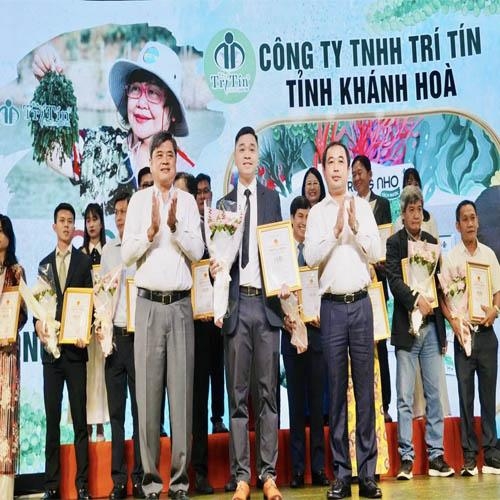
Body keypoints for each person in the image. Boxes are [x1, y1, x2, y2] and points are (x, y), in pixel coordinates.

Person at [121, 131, 204, 500]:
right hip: (149, 307)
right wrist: (151, 231)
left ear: (176, 159)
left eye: (171, 154)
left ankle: (180, 483)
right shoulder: (139, 201)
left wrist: (174, 228)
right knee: (148, 398)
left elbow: (198, 251)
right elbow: (127, 255)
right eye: (160, 155)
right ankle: (152, 483)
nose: (166, 160)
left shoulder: (186, 202)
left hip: (181, 306)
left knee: (182, 398)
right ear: (150, 161)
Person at [304, 141, 382, 499]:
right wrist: (335, 233)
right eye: (330, 162)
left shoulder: (362, 207)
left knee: (364, 391)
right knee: (335, 392)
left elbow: (377, 252)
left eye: (341, 161)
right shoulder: (317, 213)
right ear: (323, 169)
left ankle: (367, 474)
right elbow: (310, 257)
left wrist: (356, 228)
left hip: (361, 305)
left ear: (348, 169)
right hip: (332, 309)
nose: (336, 167)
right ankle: (340, 474)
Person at [32, 41, 190, 214]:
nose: (141, 103)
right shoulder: (100, 146)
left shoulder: (186, 173)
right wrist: (50, 83)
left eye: (153, 92)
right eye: (135, 89)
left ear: (173, 111)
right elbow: (53, 151)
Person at [210, 126, 283, 500]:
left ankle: (268, 475)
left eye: (253, 148)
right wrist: (215, 270)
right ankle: (242, 477)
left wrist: (284, 279)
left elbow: (279, 249)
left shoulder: (272, 199)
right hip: (237, 307)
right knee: (238, 397)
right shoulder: (223, 205)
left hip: (267, 307)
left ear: (258, 156)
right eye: (242, 148)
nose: (248, 153)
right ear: (235, 157)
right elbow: (218, 257)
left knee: (268, 395)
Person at [385, 185, 454, 481]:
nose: (415, 215)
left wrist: (445, 330)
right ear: (402, 214)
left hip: (431, 330)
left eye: (419, 210)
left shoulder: (432, 242)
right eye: (410, 210)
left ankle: (436, 454)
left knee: (435, 393)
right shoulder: (394, 243)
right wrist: (415, 299)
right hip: (406, 329)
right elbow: (393, 280)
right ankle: (406, 457)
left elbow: (439, 287)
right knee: (404, 397)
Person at [35, 202, 93, 499]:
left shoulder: (83, 263)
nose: (67, 225)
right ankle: (51, 486)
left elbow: (90, 303)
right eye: (62, 220)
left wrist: (85, 331)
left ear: (74, 226)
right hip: (51, 356)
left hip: (75, 353)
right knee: (52, 422)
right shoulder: (44, 265)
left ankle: (82, 485)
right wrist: (38, 326)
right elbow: (38, 307)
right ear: (54, 226)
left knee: (81, 422)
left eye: (71, 221)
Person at [441, 200, 500, 476]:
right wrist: (452, 321)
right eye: (464, 219)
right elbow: (443, 298)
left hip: (486, 335)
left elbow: (498, 292)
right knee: (465, 397)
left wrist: (495, 310)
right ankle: (468, 455)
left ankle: (491, 454)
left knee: (488, 397)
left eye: (473, 218)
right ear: (457, 225)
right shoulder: (451, 259)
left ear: (478, 221)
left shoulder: (489, 255)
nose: (470, 223)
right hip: (463, 335)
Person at [281, 196, 329, 489]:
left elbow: (326, 289)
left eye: (308, 217)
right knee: (296, 406)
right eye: (300, 216)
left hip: (317, 335)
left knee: (318, 405)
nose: (303, 222)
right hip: (290, 337)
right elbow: (274, 293)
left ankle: (319, 468)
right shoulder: (281, 254)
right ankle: (298, 470)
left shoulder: (317, 253)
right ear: (291, 219)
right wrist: (283, 319)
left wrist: (322, 314)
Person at [100, 192, 145, 499]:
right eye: (116, 212)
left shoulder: (142, 248)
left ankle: (140, 478)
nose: (119, 217)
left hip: (139, 336)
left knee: (141, 413)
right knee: (116, 415)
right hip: (114, 340)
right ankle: (118, 481)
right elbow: (103, 296)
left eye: (125, 211)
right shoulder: (108, 251)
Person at [191, 173, 228, 496]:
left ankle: (219, 416)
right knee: (196, 391)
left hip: (216, 314)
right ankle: (197, 469)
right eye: (198, 193)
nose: (203, 197)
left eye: (206, 192)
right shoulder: (188, 229)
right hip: (191, 319)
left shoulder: (218, 227)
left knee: (219, 370)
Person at [351, 154, 392, 422]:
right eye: (353, 173)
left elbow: (385, 245)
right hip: (355, 285)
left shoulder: (382, 204)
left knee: (380, 346)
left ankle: (384, 404)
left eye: (360, 172)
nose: (357, 177)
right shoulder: (349, 206)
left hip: (376, 284)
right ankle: (361, 406)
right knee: (357, 349)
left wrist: (378, 264)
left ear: (370, 174)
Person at [0, 215, 27, 498]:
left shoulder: (17, 272)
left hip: (7, 353)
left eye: (1, 230)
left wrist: (9, 327)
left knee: (6, 419)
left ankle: (5, 491)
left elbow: (24, 313)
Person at [81, 203, 108, 442]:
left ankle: (101, 427)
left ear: (101, 222)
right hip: (84, 325)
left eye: (95, 219)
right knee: (88, 374)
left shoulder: (109, 251)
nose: (91, 224)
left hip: (106, 322)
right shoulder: (80, 254)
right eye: (88, 220)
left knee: (103, 374)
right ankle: (88, 427)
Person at [393, 168, 438, 239]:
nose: (413, 187)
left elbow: (436, 243)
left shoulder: (429, 218)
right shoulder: (398, 222)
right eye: (409, 184)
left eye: (416, 184)